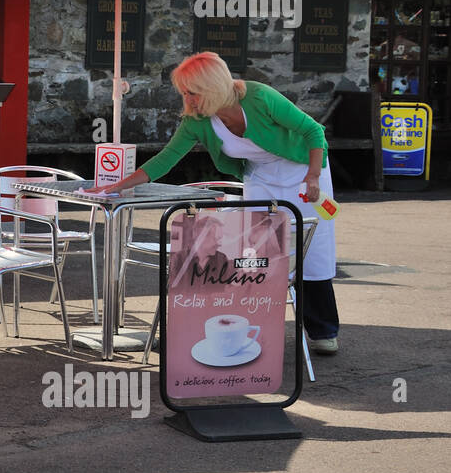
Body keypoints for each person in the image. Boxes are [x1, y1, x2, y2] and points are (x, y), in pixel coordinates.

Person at [92, 52, 340, 355]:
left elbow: (314, 131)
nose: (187, 98)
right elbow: (167, 158)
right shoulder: (197, 120)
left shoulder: (260, 98)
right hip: (261, 177)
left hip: (304, 172)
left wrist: (313, 177)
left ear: (212, 87)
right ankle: (257, 325)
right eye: (183, 91)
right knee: (257, 252)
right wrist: (116, 186)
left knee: (311, 250)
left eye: (192, 91)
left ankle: (323, 331)